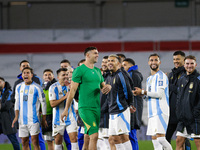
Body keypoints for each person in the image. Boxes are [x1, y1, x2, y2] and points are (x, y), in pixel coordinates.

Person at [61, 46, 111, 150]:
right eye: (95, 53)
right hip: (85, 108)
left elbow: (103, 88)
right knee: (94, 136)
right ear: (87, 55)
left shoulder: (98, 71)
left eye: (97, 53)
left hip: (97, 108)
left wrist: (109, 86)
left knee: (87, 137)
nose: (97, 55)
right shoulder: (79, 70)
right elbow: (73, 91)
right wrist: (66, 109)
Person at [133, 53, 172, 150]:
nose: (153, 62)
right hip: (152, 113)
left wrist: (143, 91)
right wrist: (142, 95)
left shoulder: (161, 76)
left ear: (160, 62)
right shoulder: (149, 79)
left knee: (161, 139)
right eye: (151, 60)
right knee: (154, 139)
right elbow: (149, 96)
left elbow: (159, 94)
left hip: (161, 111)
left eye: (155, 60)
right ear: (148, 62)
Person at [10, 60, 45, 150]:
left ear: (31, 75)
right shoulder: (18, 87)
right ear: (22, 75)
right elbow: (17, 102)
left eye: (28, 73)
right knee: (24, 142)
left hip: (34, 120)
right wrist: (16, 116)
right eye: (24, 73)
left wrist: (43, 118)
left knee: (35, 142)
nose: (26, 74)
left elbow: (43, 103)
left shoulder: (37, 87)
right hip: (22, 120)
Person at [106, 54, 135, 150]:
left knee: (123, 137)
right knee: (114, 138)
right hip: (112, 111)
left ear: (118, 64)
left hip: (121, 110)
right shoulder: (109, 77)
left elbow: (128, 91)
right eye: (109, 61)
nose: (110, 62)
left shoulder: (121, 75)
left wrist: (129, 104)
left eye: (112, 61)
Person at [49, 68, 78, 150]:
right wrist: (65, 97)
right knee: (58, 141)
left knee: (74, 139)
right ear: (58, 77)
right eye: (63, 75)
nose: (66, 76)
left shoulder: (71, 85)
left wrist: (73, 91)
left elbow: (77, 100)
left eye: (66, 75)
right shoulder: (53, 87)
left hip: (71, 116)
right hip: (58, 118)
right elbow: (52, 104)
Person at [176, 55, 200, 150]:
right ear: (184, 65)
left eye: (191, 63)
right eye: (187, 63)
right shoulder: (182, 78)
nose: (189, 66)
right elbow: (179, 97)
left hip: (195, 118)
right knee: (179, 140)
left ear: (196, 65)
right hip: (183, 117)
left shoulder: (198, 79)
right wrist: (178, 111)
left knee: (198, 142)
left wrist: (196, 112)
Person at [122, 58, 143, 150]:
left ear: (130, 66)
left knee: (131, 134)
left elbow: (131, 91)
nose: (123, 67)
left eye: (124, 65)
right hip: (133, 107)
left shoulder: (133, 74)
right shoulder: (133, 73)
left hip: (133, 108)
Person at [0, 77, 20, 150]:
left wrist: (1, 105)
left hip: (8, 120)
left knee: (13, 140)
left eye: (0, 82)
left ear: (4, 83)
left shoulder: (9, 92)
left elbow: (8, 105)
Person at [42, 69, 57, 150]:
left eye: (49, 74)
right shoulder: (42, 87)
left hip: (56, 115)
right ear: (43, 77)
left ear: (53, 76)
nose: (47, 76)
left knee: (58, 139)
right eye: (46, 75)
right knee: (49, 140)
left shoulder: (56, 85)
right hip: (46, 116)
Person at [98, 56, 110, 150]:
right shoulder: (101, 77)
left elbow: (109, 97)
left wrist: (102, 108)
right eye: (103, 62)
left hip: (106, 113)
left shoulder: (111, 77)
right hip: (99, 112)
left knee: (106, 140)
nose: (104, 64)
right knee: (99, 139)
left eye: (106, 62)